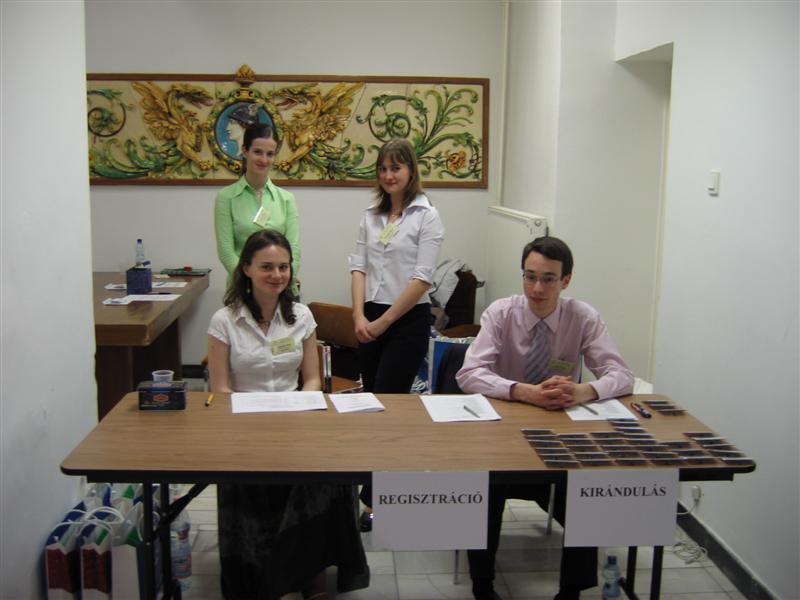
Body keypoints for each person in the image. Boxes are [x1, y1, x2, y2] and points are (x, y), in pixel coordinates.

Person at [456, 236, 634, 600]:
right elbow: (469, 373)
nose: (537, 288)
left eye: (549, 279)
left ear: (566, 280)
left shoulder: (583, 317)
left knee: (586, 489)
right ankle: (483, 585)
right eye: (530, 276)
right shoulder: (501, 313)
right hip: (504, 430)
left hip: (559, 431)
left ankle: (571, 591)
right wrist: (523, 391)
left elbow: (622, 375)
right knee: (485, 484)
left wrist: (585, 390)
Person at [207, 230, 368, 600]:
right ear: (246, 269)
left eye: (283, 267)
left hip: (294, 421)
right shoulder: (224, 321)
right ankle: (275, 577)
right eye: (266, 267)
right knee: (261, 485)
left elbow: (312, 379)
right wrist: (255, 422)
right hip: (244, 426)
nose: (276, 275)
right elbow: (221, 389)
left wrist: (298, 412)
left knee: (331, 479)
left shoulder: (301, 317)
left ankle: (311, 574)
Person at [348, 138, 445, 529]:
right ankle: (376, 482)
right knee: (372, 404)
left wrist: (383, 322)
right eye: (383, 168)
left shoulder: (427, 216)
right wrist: (358, 315)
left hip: (406, 321)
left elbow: (422, 279)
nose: (389, 175)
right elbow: (358, 266)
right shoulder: (370, 217)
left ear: (410, 170)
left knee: (388, 404)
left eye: (396, 167)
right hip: (369, 316)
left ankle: (373, 500)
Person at [214, 122, 300, 290]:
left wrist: (282, 280)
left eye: (270, 154)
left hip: (280, 287)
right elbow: (226, 252)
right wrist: (254, 284)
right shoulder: (226, 198)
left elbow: (294, 250)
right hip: (242, 289)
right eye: (258, 152)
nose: (264, 159)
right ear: (245, 151)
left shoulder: (287, 199)